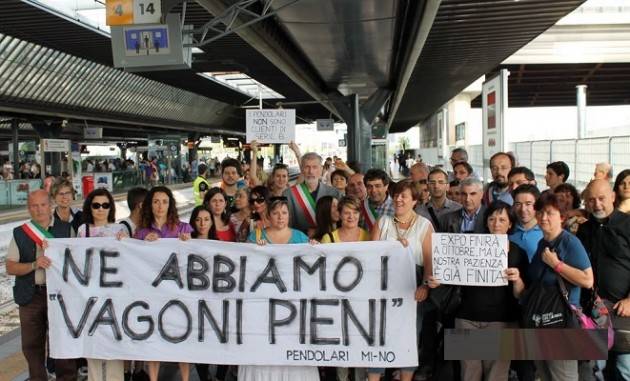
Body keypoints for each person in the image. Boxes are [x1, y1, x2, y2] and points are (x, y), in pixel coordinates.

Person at [240, 198, 319, 381]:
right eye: (275, 213)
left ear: (289, 215)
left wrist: (314, 249)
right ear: (268, 216)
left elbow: (311, 267)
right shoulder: (256, 237)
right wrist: (253, 250)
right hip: (264, 302)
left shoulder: (300, 237)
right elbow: (247, 268)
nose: (280, 217)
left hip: (294, 303)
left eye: (284, 213)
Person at [6, 189, 77, 381]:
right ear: (29, 209)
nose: (39, 210)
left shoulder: (66, 229)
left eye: (43, 205)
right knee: (31, 345)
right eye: (34, 206)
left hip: (60, 296)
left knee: (63, 341)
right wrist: (33, 265)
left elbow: (77, 261)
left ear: (50, 205)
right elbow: (10, 267)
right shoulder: (20, 233)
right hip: (31, 296)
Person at [521, 192, 593, 381]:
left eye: (550, 213)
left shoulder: (570, 242)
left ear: (561, 217)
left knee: (563, 376)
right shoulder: (542, 242)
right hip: (541, 320)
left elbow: (588, 280)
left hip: (562, 323)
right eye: (540, 213)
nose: (544, 218)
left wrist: (557, 265)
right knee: (545, 374)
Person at [453, 201, 528, 381]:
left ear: (510, 224)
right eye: (492, 219)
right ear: (486, 222)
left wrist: (517, 279)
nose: (496, 224)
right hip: (467, 318)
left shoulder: (519, 252)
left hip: (502, 321)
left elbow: (521, 295)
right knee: (468, 376)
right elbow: (451, 274)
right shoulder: (468, 245)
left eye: (502, 220)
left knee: (496, 376)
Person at [369, 179, 433, 381]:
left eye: (404, 196)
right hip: (382, 286)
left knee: (409, 336)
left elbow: (430, 260)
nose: (398, 199)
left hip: (412, 289)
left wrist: (425, 286)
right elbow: (370, 255)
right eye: (396, 195)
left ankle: (406, 378)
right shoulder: (382, 222)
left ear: (415, 200)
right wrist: (392, 249)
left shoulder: (424, 225)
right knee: (377, 334)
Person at [134, 186, 193, 381]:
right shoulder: (141, 232)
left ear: (170, 205)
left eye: (165, 202)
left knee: (181, 335)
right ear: (150, 205)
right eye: (156, 202)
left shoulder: (183, 228)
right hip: (152, 293)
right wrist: (141, 243)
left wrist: (188, 243)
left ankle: (185, 378)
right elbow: (131, 257)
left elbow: (196, 255)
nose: (160, 206)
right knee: (154, 335)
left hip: (178, 292)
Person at [577, 179, 630, 380]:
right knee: (596, 369)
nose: (597, 204)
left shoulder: (627, 224)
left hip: (623, 309)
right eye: (591, 200)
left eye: (601, 198)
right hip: (593, 309)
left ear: (613, 197)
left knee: (625, 367)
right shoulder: (584, 229)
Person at [76, 188, 128, 380]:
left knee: (115, 341)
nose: (100, 209)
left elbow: (130, 260)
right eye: (96, 205)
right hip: (91, 295)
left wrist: (126, 243)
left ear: (111, 207)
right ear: (90, 207)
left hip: (114, 295)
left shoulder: (120, 230)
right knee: (93, 341)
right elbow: (74, 258)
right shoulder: (83, 231)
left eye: (105, 205)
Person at [283, 152, 341, 236]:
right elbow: (287, 224)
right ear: (302, 169)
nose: (311, 171)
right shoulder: (289, 194)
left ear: (321, 169)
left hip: (328, 242)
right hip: (300, 242)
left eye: (314, 167)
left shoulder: (334, 193)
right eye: (307, 167)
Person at [510, 184, 543, 263]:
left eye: (528, 204)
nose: (523, 209)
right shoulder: (507, 230)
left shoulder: (546, 232)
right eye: (518, 204)